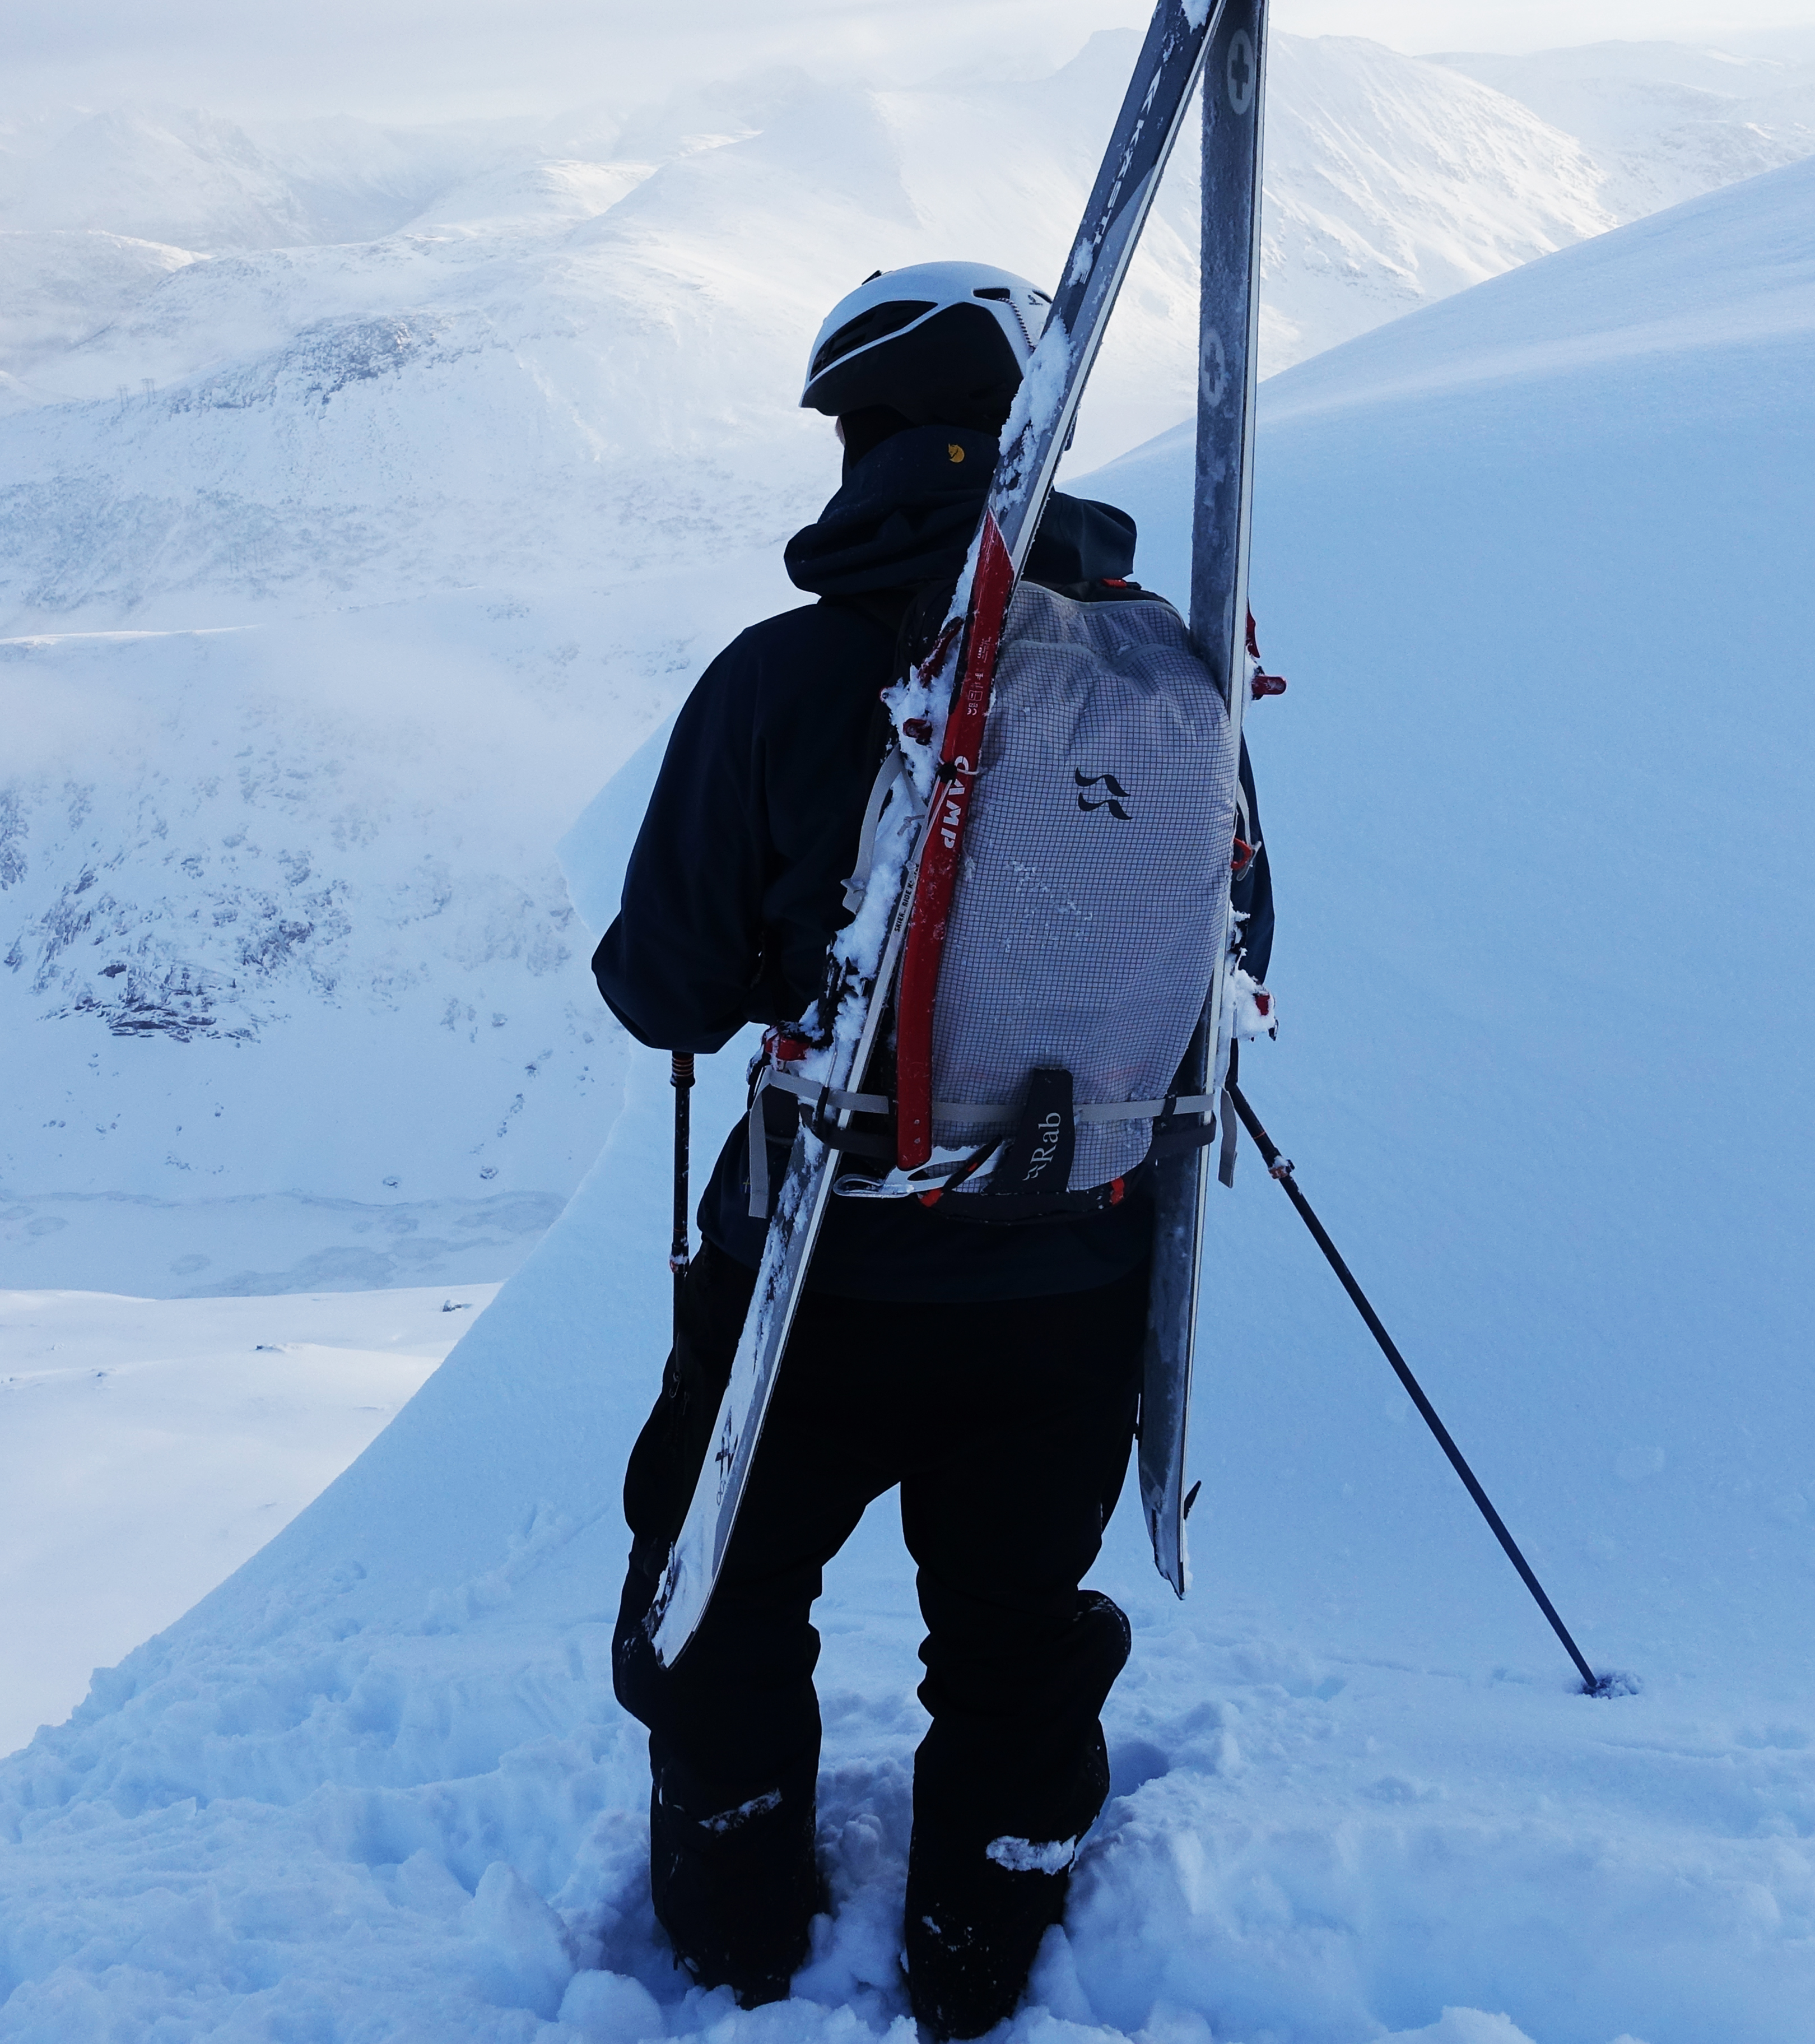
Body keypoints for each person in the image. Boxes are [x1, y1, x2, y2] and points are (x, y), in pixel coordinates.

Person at [591, 262, 1275, 2039]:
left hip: (825, 1266)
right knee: (1012, 1628)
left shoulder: (792, 677)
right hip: (1077, 1266)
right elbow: (1238, 952)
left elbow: (665, 986)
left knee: (718, 1587)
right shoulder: (1166, 672)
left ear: (877, 443)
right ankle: (988, 1963)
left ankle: (738, 1953)